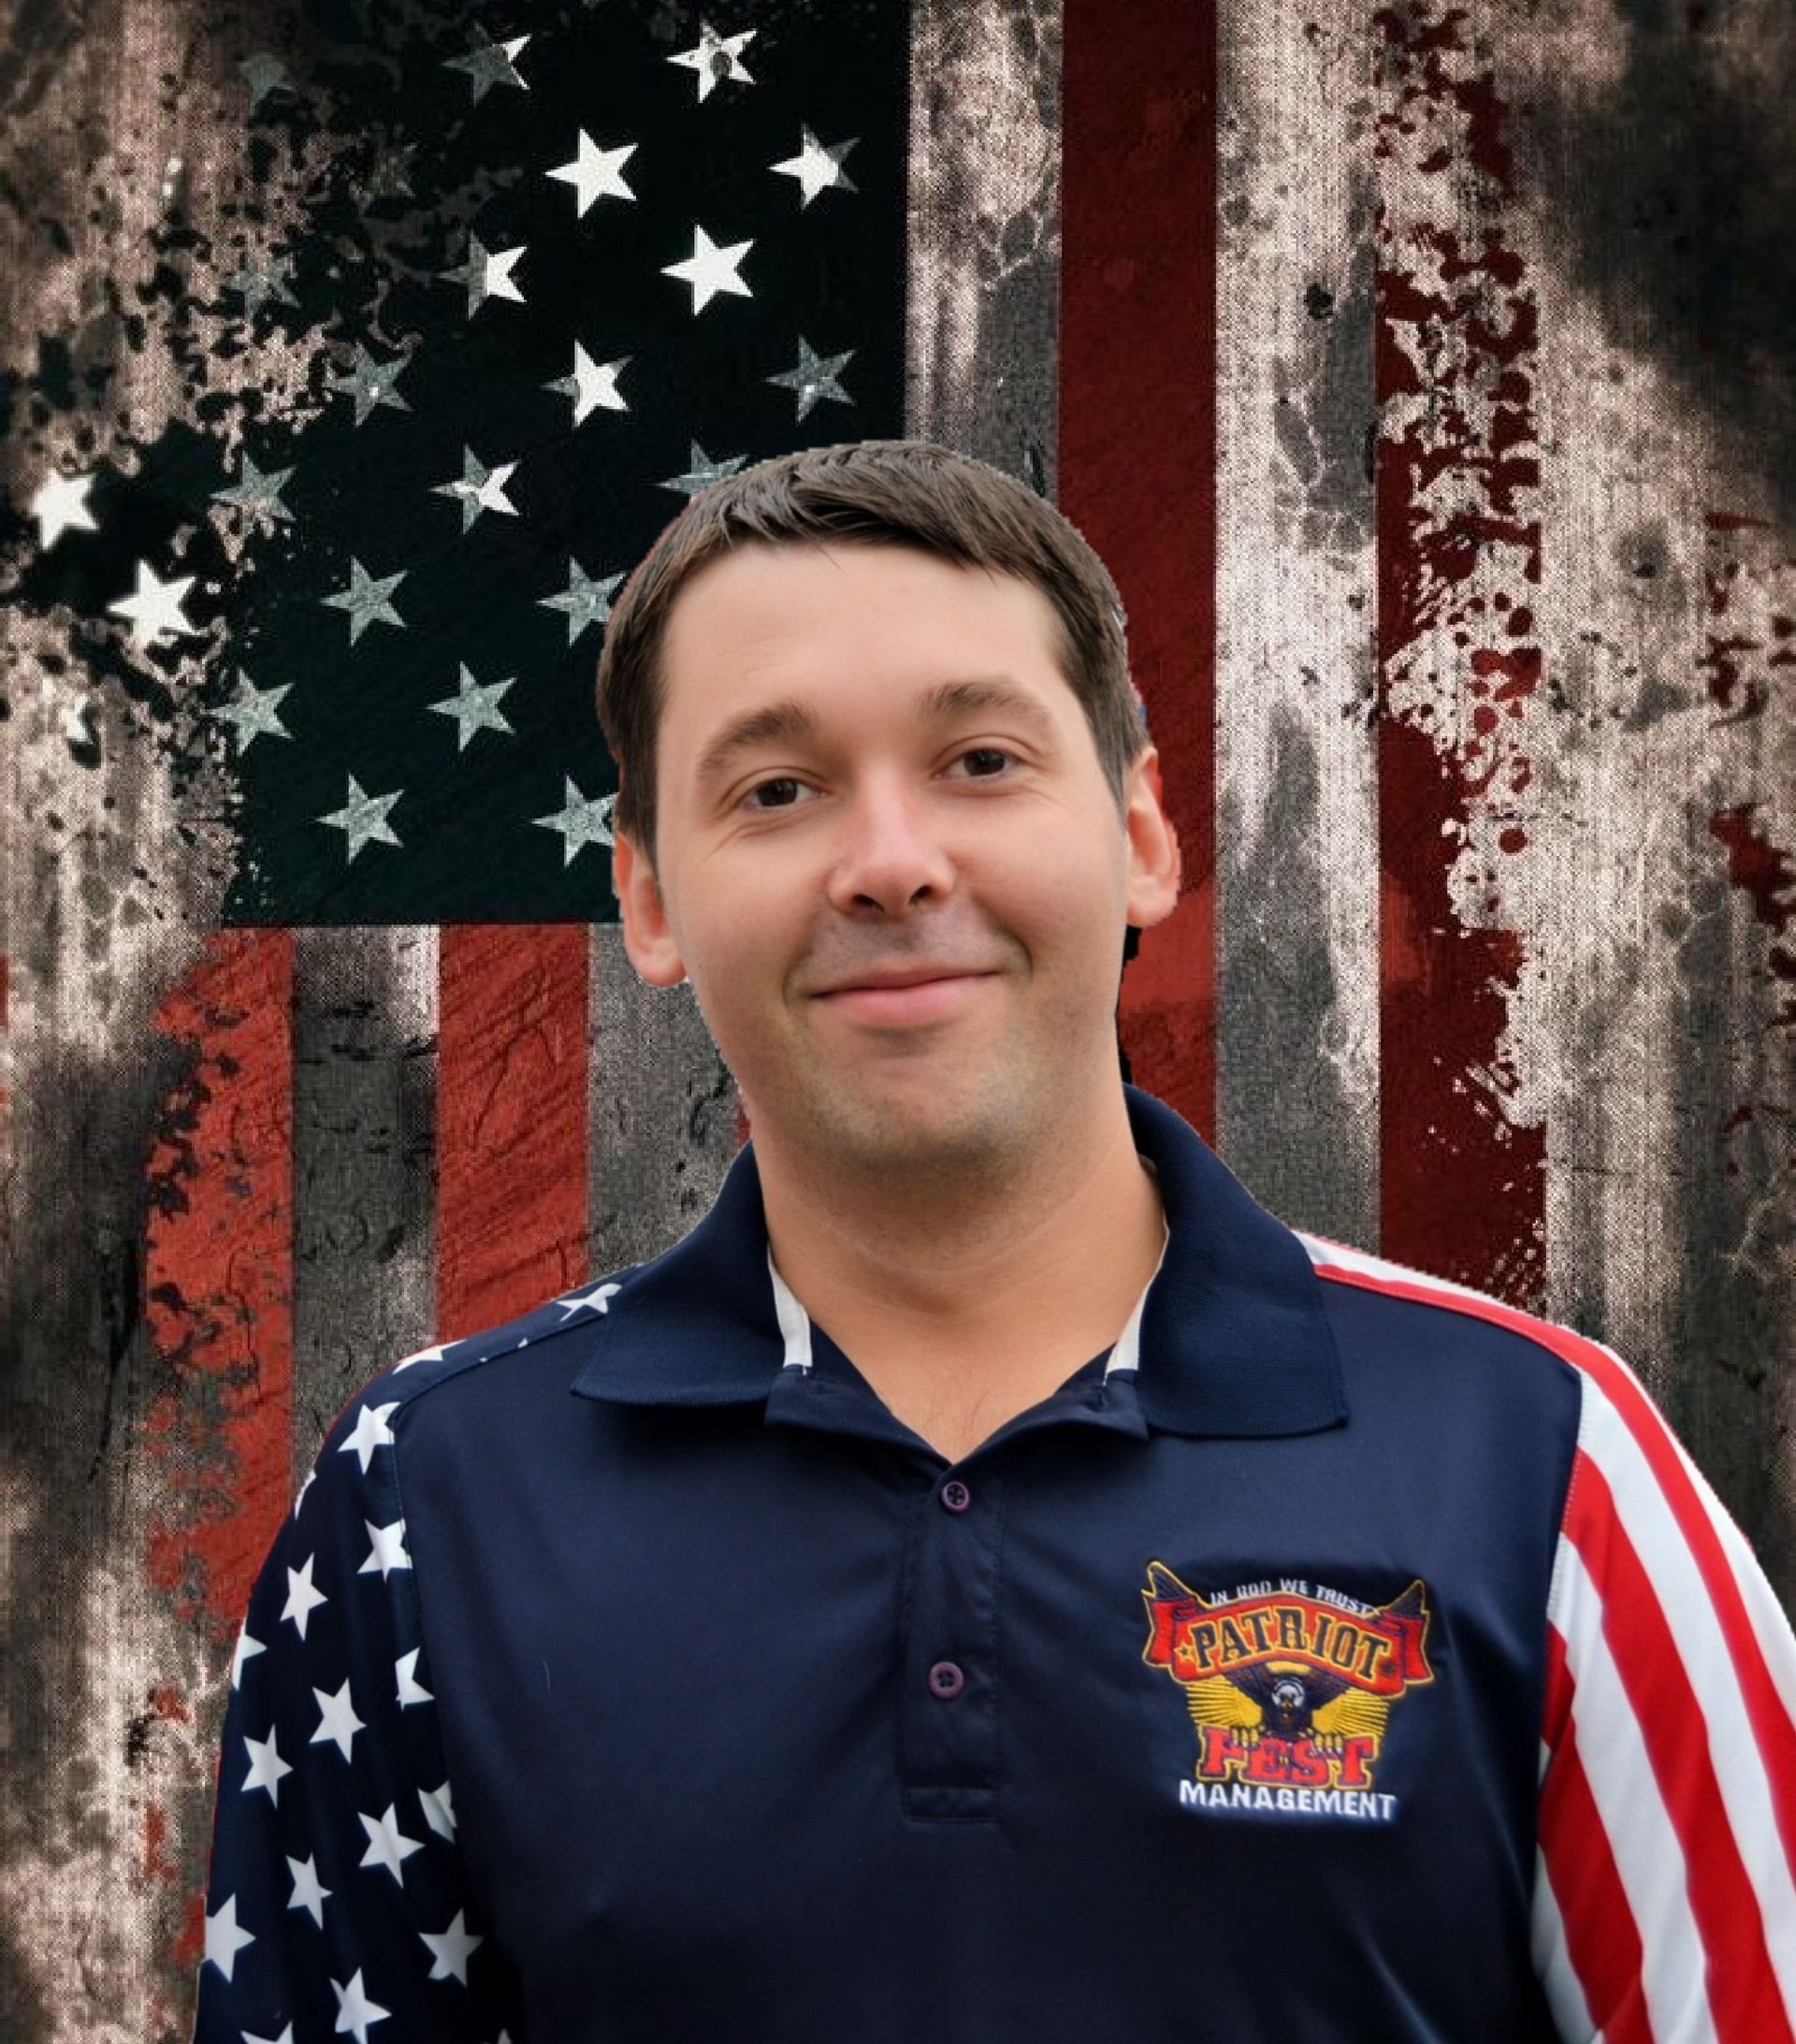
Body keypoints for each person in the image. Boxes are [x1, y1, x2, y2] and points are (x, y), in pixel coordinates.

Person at [191, 440, 1796, 2043]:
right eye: (776, 788)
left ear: (1143, 833)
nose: (893, 862)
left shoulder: (1550, 1463)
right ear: (651, 897)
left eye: (979, 760)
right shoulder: (424, 1497)